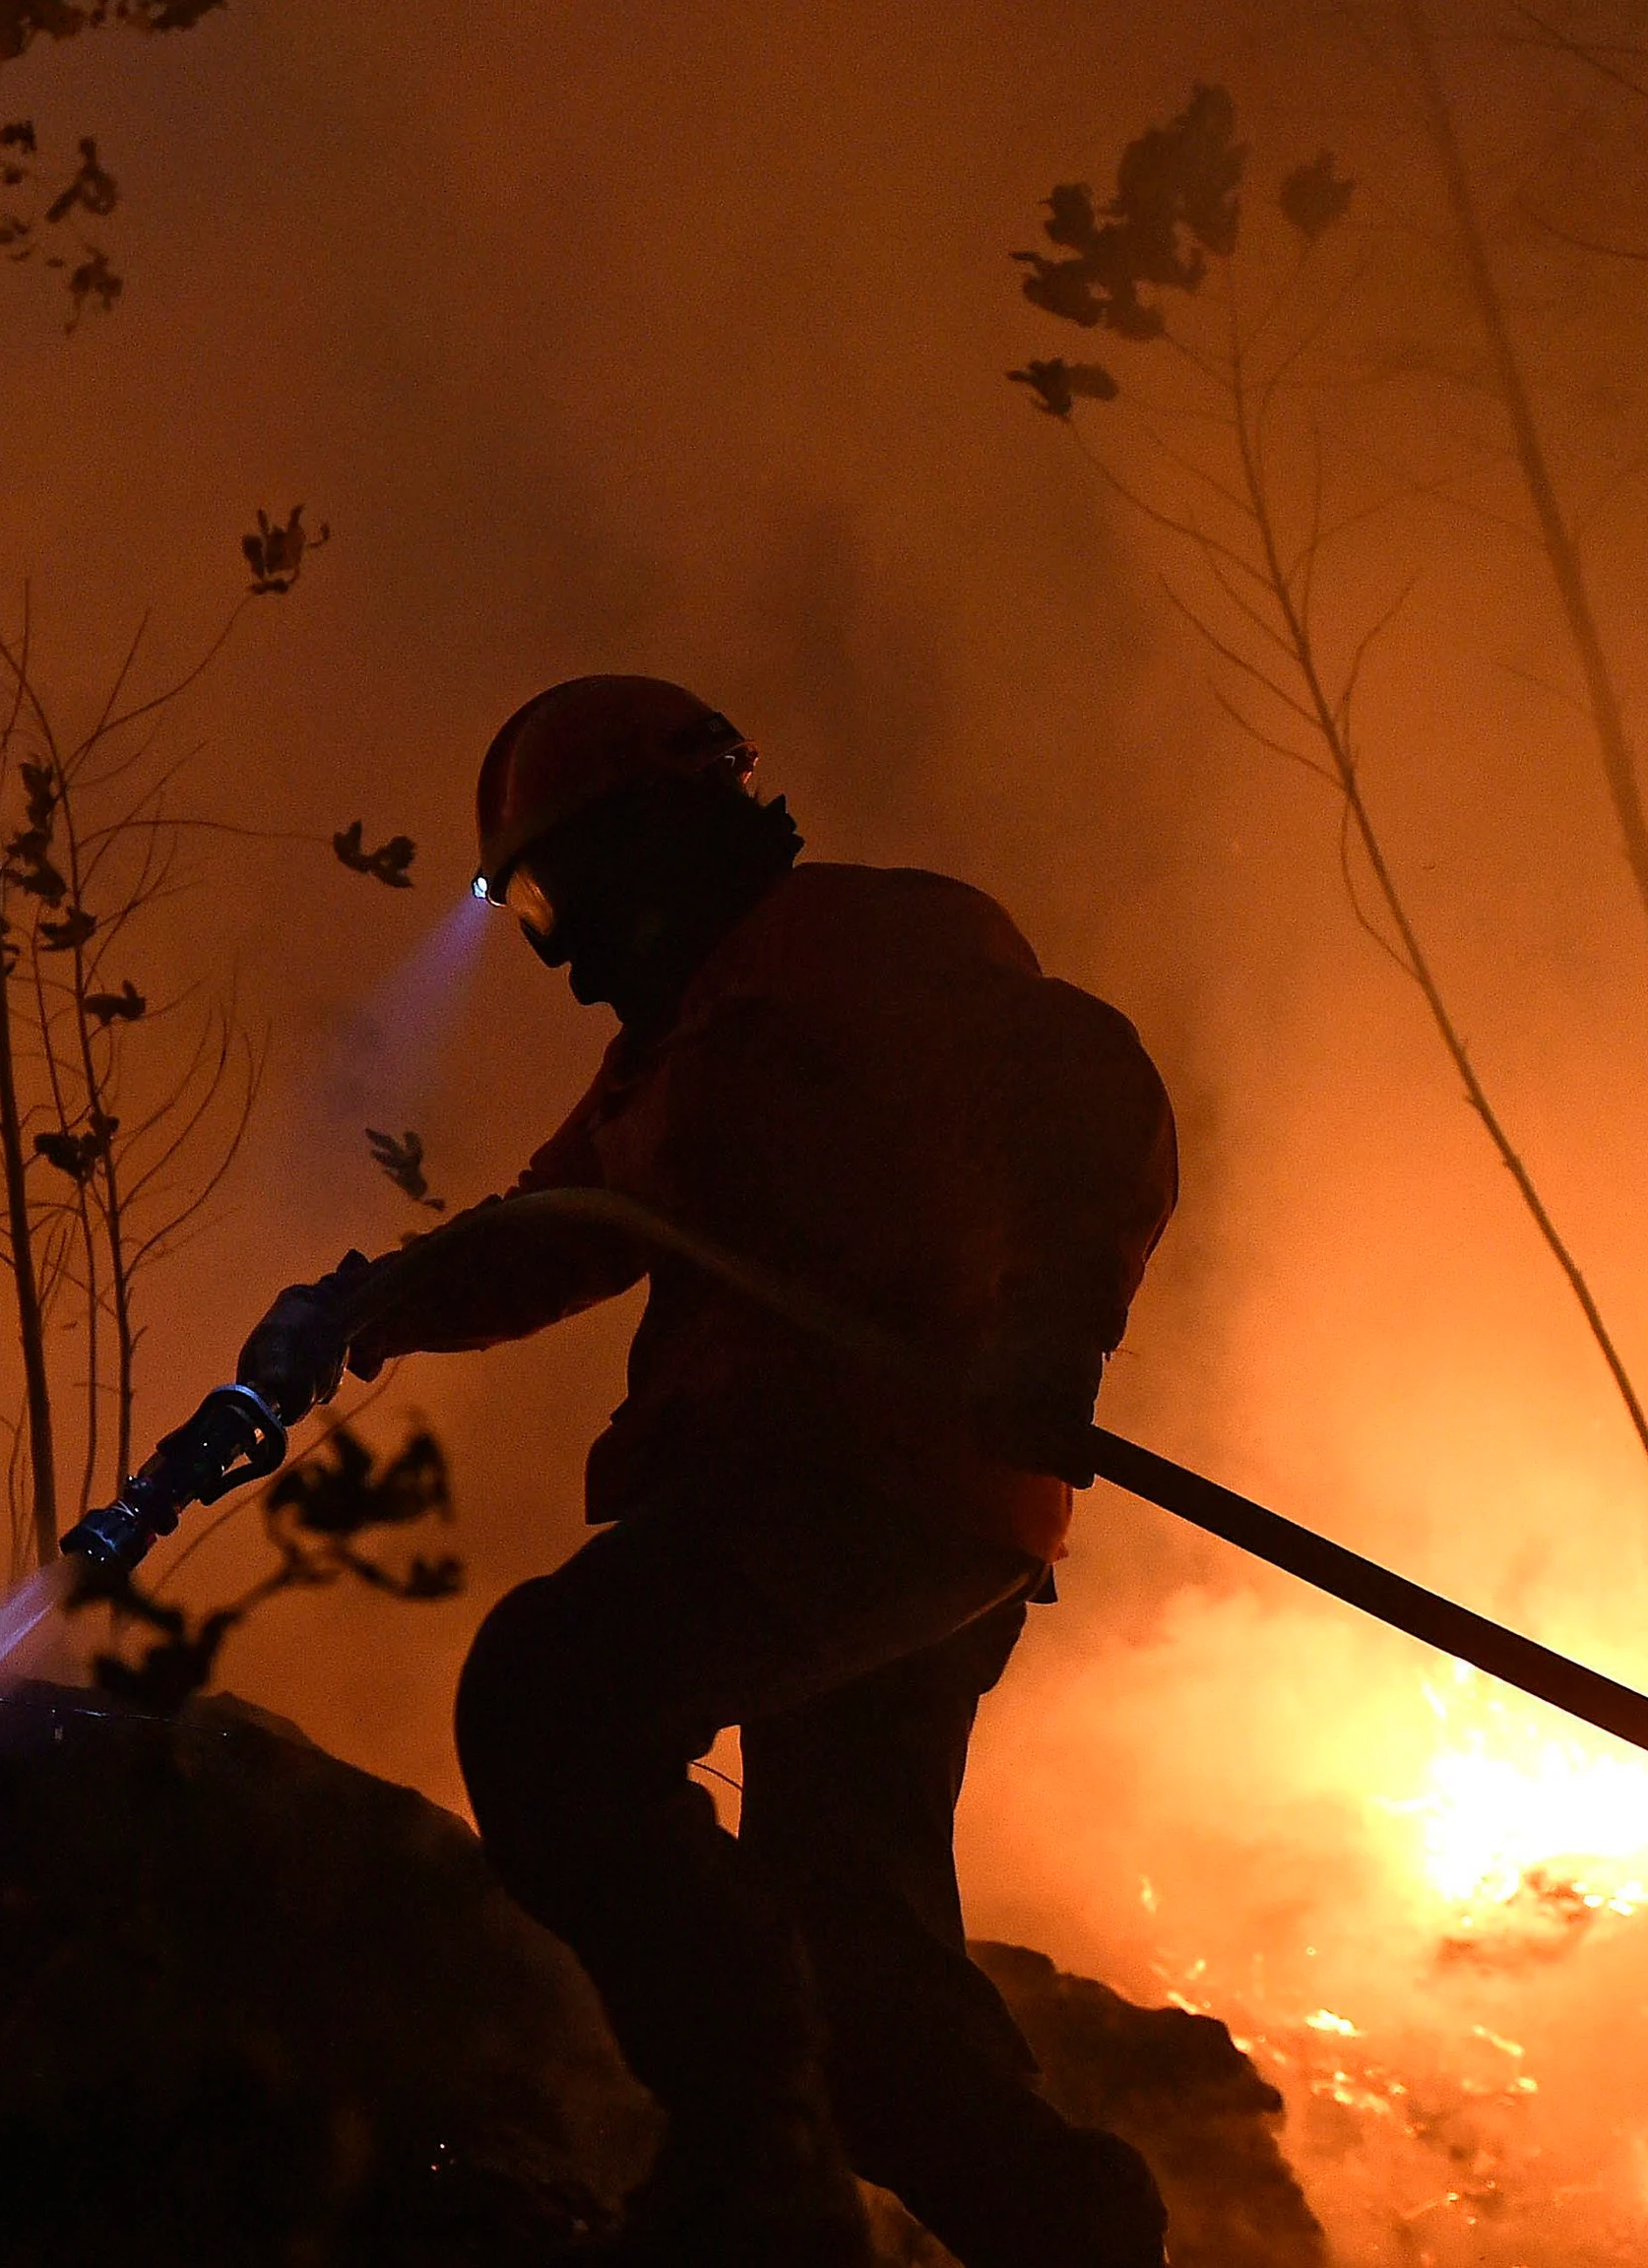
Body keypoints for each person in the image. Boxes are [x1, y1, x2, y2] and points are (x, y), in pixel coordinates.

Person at [236, 676, 1181, 2268]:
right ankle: (1068, 2238)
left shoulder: (852, 946)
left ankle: (756, 2187)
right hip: (884, 1514)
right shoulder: (669, 1059)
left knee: (549, 1701)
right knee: (866, 1993)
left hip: (871, 1484)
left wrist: (1053, 1334)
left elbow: (1083, 1083)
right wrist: (366, 1307)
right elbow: (557, 1232)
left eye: (556, 894)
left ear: (643, 841)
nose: (563, 949)